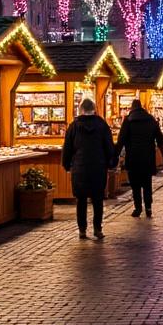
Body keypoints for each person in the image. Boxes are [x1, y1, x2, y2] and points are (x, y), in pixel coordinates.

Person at [63, 98, 117, 239]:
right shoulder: (101, 125)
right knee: (97, 200)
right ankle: (97, 229)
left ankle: (82, 229)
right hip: (98, 167)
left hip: (79, 168)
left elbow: (67, 148)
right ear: (94, 108)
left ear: (81, 109)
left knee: (81, 200)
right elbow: (109, 146)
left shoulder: (74, 126)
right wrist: (111, 162)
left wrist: (66, 164)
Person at [117, 98, 163, 217]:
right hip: (148, 157)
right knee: (147, 183)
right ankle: (148, 207)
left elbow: (121, 140)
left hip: (132, 157)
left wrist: (115, 155)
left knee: (135, 185)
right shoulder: (151, 119)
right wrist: (161, 151)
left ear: (132, 108)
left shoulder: (128, 121)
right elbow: (160, 138)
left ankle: (138, 208)